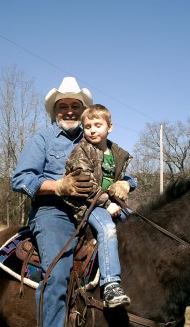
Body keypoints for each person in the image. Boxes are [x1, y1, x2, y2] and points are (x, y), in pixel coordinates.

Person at [12, 77, 137, 327]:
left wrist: (127, 184)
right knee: (57, 273)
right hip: (53, 211)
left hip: (95, 208)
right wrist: (57, 186)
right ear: (55, 111)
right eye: (63, 106)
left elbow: (119, 168)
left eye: (75, 106)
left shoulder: (93, 134)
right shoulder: (42, 140)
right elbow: (20, 179)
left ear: (83, 111)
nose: (69, 111)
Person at [62, 104, 133, 308]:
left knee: (137, 227)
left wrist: (128, 184)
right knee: (107, 229)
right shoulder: (81, 151)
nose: (92, 130)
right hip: (88, 206)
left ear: (109, 127)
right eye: (87, 126)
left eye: (97, 125)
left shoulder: (116, 153)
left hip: (113, 204)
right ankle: (110, 285)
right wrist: (106, 203)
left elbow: (122, 178)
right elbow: (84, 183)